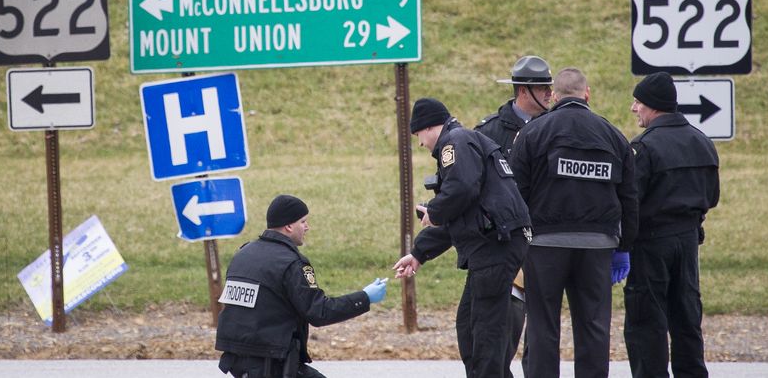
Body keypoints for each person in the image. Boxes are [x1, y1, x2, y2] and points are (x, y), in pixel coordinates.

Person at [509, 67, 638, 378]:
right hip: (597, 247)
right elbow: (630, 198)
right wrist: (625, 247)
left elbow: (516, 194)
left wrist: (518, 243)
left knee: (542, 326)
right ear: (587, 93)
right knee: (594, 326)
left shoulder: (532, 133)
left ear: (554, 96)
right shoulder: (613, 136)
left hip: (544, 246)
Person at [393, 98, 531, 378]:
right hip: (491, 246)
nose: (420, 143)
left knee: (485, 334)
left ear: (431, 126)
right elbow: (462, 213)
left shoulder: (454, 142)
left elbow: (461, 190)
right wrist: (419, 253)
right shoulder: (466, 143)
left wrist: (435, 210)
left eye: (418, 134)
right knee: (469, 327)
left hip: (495, 247)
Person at [216, 194, 387, 378]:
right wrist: (365, 297)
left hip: (238, 359)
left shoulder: (242, 254)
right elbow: (320, 312)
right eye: (303, 221)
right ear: (289, 226)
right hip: (271, 361)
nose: (307, 227)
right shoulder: (292, 263)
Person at [624, 72, 720, 378]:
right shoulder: (702, 142)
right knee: (687, 316)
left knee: (646, 320)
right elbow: (712, 195)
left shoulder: (644, 147)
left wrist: (622, 244)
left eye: (637, 102)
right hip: (689, 240)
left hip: (651, 244)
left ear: (652, 106)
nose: (633, 108)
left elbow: (631, 201)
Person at [474, 55, 553, 377]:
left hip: (548, 237)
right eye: (543, 88)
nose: (550, 93)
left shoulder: (555, 126)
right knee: (504, 330)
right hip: (507, 243)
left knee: (542, 332)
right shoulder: (490, 132)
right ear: (524, 90)